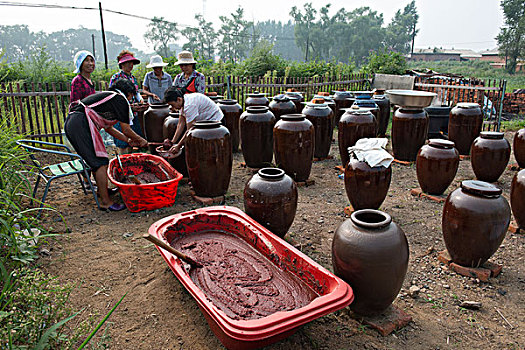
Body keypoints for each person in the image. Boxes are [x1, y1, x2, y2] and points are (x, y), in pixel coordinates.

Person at [64, 79, 148, 211]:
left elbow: (109, 128)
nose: (131, 99)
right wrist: (141, 140)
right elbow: (126, 129)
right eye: (132, 96)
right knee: (100, 162)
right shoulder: (120, 99)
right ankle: (105, 202)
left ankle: (102, 191)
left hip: (74, 122)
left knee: (96, 160)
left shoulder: (110, 99)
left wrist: (128, 141)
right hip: (80, 123)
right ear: (129, 93)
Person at [163, 87, 223, 155]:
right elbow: (180, 124)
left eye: (172, 105)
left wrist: (178, 146)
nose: (172, 108)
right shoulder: (182, 102)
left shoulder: (189, 105)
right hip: (204, 119)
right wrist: (172, 142)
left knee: (208, 148)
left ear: (178, 99)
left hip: (214, 119)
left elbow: (190, 130)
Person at [109, 50, 148, 153]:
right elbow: (113, 96)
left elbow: (136, 92)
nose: (130, 65)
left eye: (131, 63)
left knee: (132, 140)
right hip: (121, 114)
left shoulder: (133, 78)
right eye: (127, 63)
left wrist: (141, 101)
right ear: (122, 64)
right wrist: (129, 106)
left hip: (133, 113)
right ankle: (123, 163)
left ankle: (130, 160)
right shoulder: (116, 77)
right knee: (123, 142)